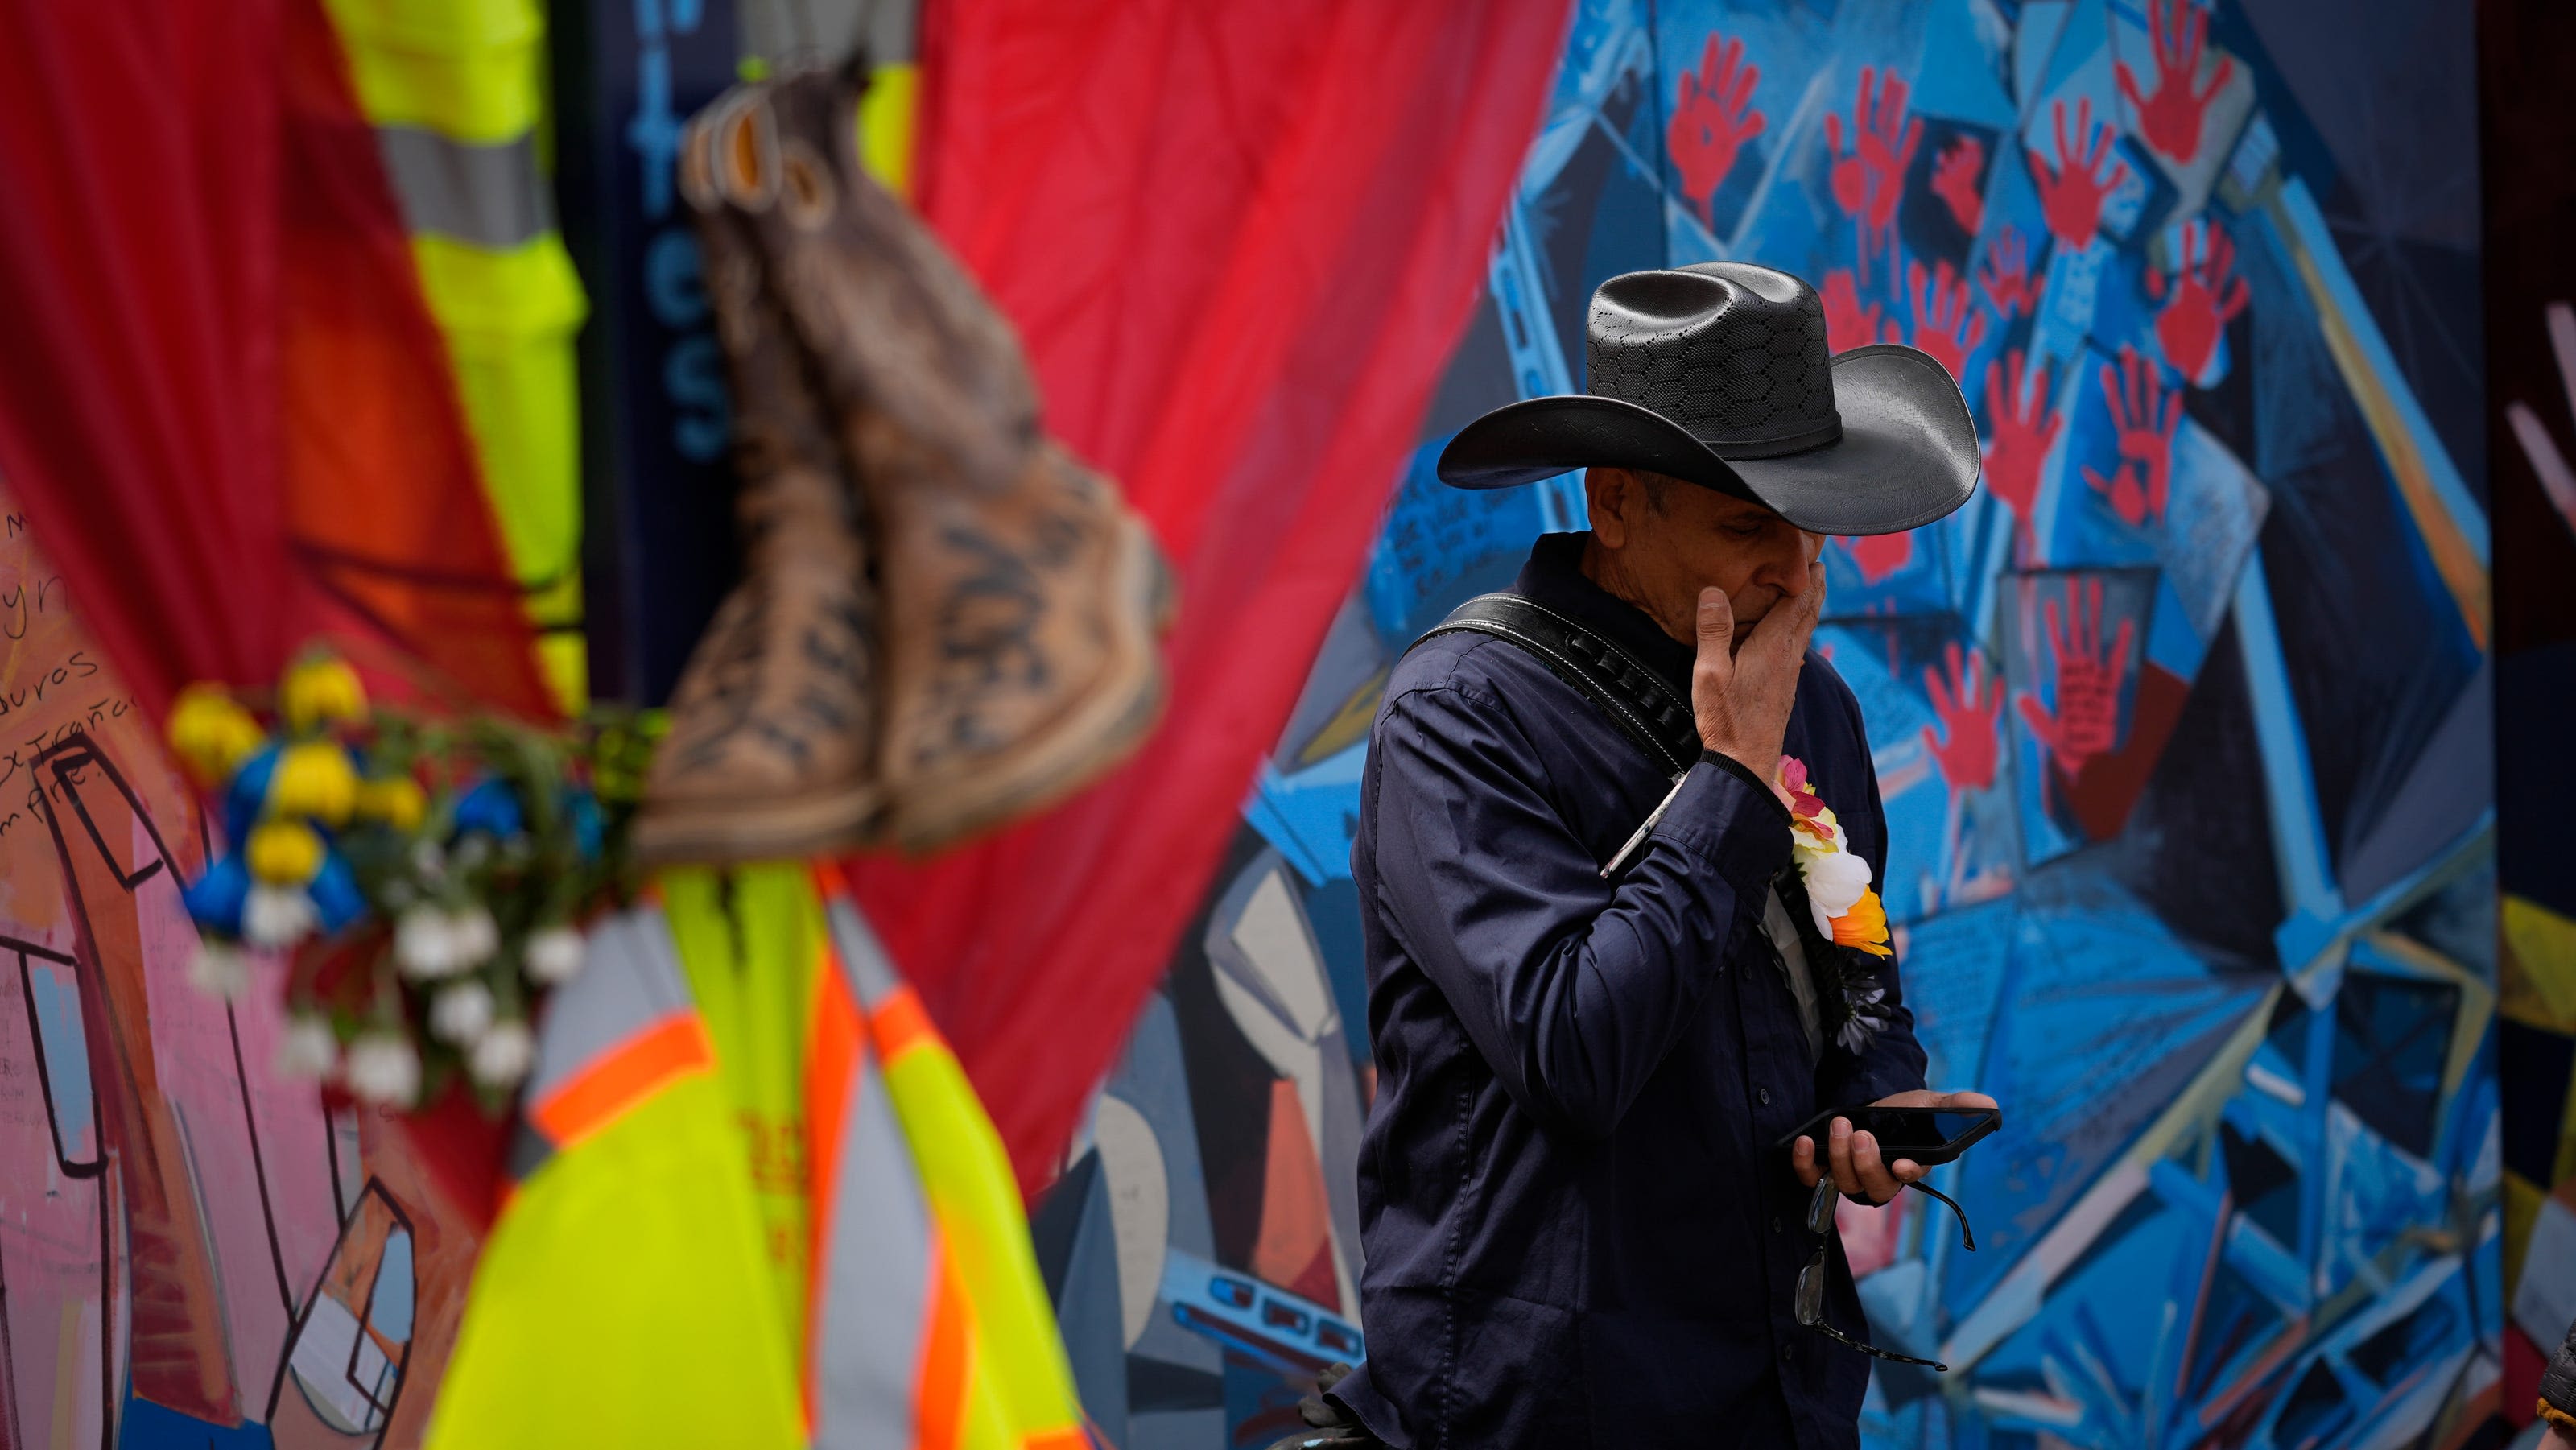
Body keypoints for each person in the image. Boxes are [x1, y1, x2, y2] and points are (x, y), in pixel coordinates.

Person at [1296, 263, 1996, 1448]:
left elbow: (1860, 988)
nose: (1792, 572)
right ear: (1615, 502)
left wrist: (1870, 1105)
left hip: (1777, 1400)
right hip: (1547, 1415)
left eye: (1805, 524)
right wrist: (1730, 780)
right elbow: (1576, 1047)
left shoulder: (1809, 705)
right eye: (1744, 525)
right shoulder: (1460, 714)